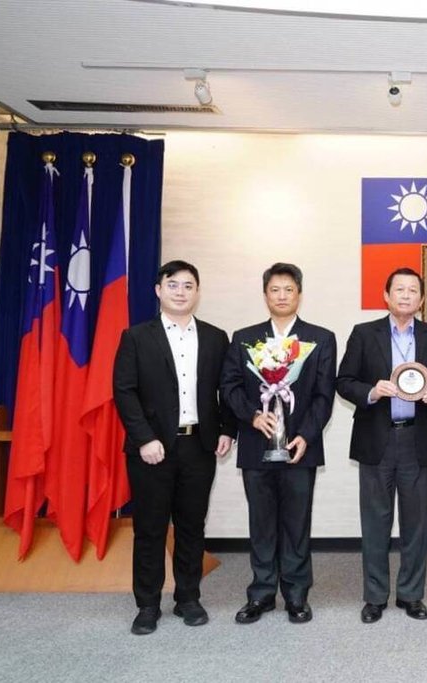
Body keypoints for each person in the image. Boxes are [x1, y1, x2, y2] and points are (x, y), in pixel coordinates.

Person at [113, 260, 236, 635]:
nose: (180, 292)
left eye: (188, 286)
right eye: (173, 285)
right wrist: (144, 438)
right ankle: (148, 604)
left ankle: (188, 597)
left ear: (197, 292)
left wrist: (227, 430)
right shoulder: (136, 337)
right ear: (158, 290)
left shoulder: (216, 337)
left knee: (191, 526)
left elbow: (227, 389)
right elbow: (124, 391)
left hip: (199, 445)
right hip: (152, 449)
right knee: (150, 529)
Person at [220, 263, 336, 625]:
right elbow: (229, 387)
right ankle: (261, 593)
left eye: (289, 289)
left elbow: (323, 395)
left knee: (297, 523)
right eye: (275, 290)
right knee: (261, 523)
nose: (282, 296)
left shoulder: (320, 338)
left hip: (300, 447)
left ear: (299, 293)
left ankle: (297, 594)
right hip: (256, 446)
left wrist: (307, 435)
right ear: (265, 294)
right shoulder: (245, 338)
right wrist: (253, 416)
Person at [337, 268, 427, 624]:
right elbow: (344, 381)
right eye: (399, 289)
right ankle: (374, 596)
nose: (405, 295)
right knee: (375, 523)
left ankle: (411, 594)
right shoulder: (363, 333)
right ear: (386, 295)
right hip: (376, 439)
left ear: (421, 298)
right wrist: (371, 391)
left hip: (418, 439)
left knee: (418, 524)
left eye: (412, 290)